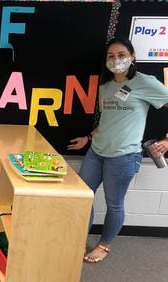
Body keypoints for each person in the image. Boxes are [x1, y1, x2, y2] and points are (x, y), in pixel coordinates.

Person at [68, 37, 168, 263]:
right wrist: (87, 137)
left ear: (132, 56)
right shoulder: (105, 88)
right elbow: (107, 122)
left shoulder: (146, 83)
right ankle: (78, 238)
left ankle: (104, 245)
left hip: (123, 157)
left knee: (114, 203)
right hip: (96, 152)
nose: (116, 60)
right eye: (111, 56)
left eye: (122, 55)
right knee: (83, 196)